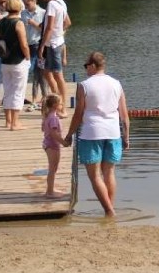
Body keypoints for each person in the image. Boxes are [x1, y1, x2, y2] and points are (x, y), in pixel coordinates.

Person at [64, 51, 129, 217]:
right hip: (113, 132)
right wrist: (126, 136)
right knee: (109, 173)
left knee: (94, 176)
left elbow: (78, 114)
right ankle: (110, 208)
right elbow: (124, 114)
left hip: (91, 133)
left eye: (86, 65)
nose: (85, 69)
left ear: (93, 65)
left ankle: (109, 211)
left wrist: (69, 134)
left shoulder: (84, 85)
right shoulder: (116, 84)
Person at [36, 0, 72, 117]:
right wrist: (60, 33)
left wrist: (42, 46)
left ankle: (63, 109)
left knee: (58, 75)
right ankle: (56, 102)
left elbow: (49, 27)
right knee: (47, 72)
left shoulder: (51, 4)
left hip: (52, 45)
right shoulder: (61, 1)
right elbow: (68, 22)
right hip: (57, 42)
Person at [0, 0, 31, 130]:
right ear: (19, 8)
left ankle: (7, 121)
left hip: (4, 61)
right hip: (18, 61)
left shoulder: (2, 22)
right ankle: (15, 123)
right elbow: (23, 44)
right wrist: (28, 56)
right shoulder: (19, 23)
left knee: (7, 90)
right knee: (18, 91)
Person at [22, 0, 46, 106]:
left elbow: (45, 29)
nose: (26, 6)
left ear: (34, 0)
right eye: (25, 4)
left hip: (38, 45)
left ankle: (39, 98)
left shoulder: (42, 12)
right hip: (27, 45)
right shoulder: (23, 13)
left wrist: (33, 23)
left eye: (28, 4)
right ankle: (38, 98)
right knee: (35, 73)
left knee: (38, 72)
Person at [41, 93, 68, 198]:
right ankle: (49, 192)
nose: (62, 106)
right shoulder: (53, 118)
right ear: (55, 105)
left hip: (50, 144)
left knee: (54, 168)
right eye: (60, 104)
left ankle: (51, 188)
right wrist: (63, 142)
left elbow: (43, 129)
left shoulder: (48, 116)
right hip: (52, 145)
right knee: (52, 168)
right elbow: (53, 133)